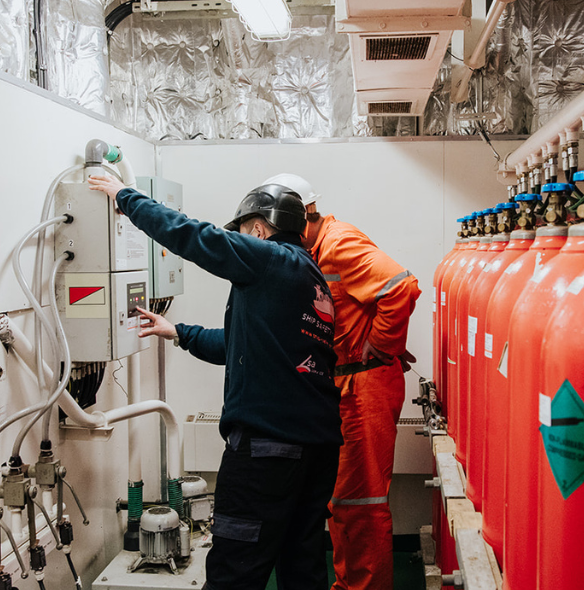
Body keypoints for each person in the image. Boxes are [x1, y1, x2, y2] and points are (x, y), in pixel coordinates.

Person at [88, 174, 342, 590]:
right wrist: (179, 332)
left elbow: (193, 236)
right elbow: (245, 344)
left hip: (267, 450)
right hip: (317, 450)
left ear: (258, 230)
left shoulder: (269, 259)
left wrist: (126, 197)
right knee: (302, 564)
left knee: (235, 569)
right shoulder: (310, 278)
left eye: (242, 233)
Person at [262, 173, 421, 590]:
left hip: (363, 389)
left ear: (300, 215)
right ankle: (348, 582)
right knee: (342, 500)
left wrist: (381, 344)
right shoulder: (314, 250)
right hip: (344, 388)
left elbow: (400, 287)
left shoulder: (339, 243)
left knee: (360, 503)